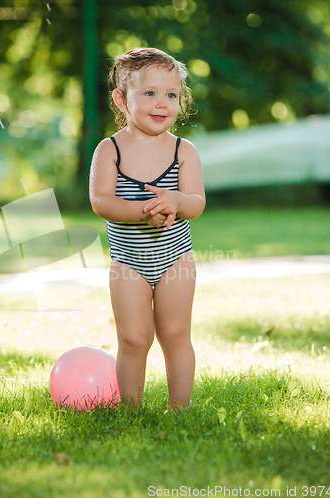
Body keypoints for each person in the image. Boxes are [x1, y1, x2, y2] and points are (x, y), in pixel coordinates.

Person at [89, 47, 205, 410]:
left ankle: (179, 409)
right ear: (121, 100)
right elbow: (101, 201)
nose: (161, 103)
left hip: (176, 260)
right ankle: (131, 409)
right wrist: (142, 212)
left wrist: (176, 201)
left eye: (171, 94)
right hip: (128, 263)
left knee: (174, 334)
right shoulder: (109, 151)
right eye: (149, 93)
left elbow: (196, 202)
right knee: (134, 337)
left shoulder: (183, 151)